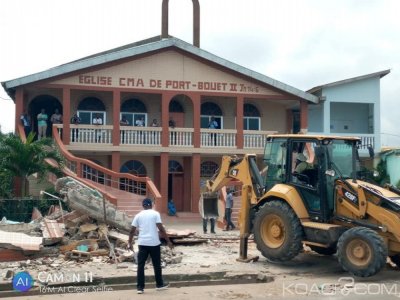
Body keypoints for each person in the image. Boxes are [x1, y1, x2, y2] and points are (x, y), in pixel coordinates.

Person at [128, 198, 173, 294]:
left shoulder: (138, 216)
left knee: (141, 265)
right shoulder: (155, 214)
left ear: (143, 205)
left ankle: (140, 288)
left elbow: (132, 231)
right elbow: (161, 229)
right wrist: (168, 241)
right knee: (157, 265)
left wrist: (129, 243)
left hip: (142, 243)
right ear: (151, 205)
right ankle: (159, 284)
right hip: (154, 243)